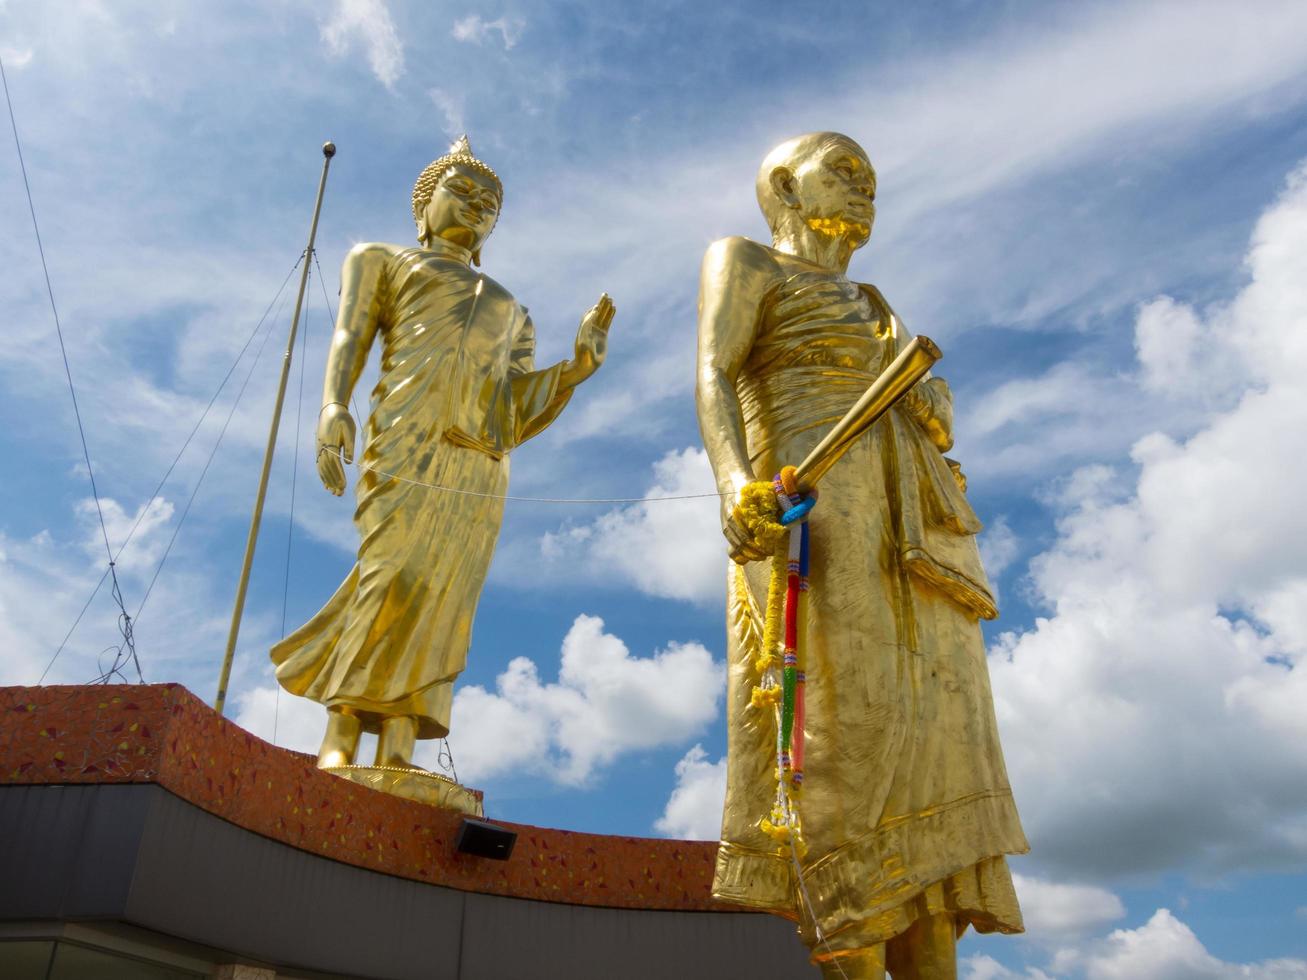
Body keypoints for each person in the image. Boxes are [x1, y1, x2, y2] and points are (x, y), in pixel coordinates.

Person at [696, 132, 1027, 979]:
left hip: (914, 531)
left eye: (872, 179)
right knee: (837, 734)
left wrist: (926, 396)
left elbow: (936, 414)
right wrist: (736, 484)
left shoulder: (878, 304)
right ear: (780, 183)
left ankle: (929, 954)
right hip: (816, 514)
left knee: (929, 737)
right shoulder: (745, 262)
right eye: (842, 171)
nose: (863, 189)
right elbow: (713, 372)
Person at [273, 136, 615, 771]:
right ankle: (342, 734)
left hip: (479, 461)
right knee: (392, 573)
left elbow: (516, 402)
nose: (478, 208)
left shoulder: (511, 308)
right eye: (463, 192)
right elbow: (351, 332)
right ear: (424, 204)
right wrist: (332, 406)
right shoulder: (382, 260)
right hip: (409, 436)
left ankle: (401, 744)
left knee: (442, 595)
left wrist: (576, 370)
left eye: (490, 204)